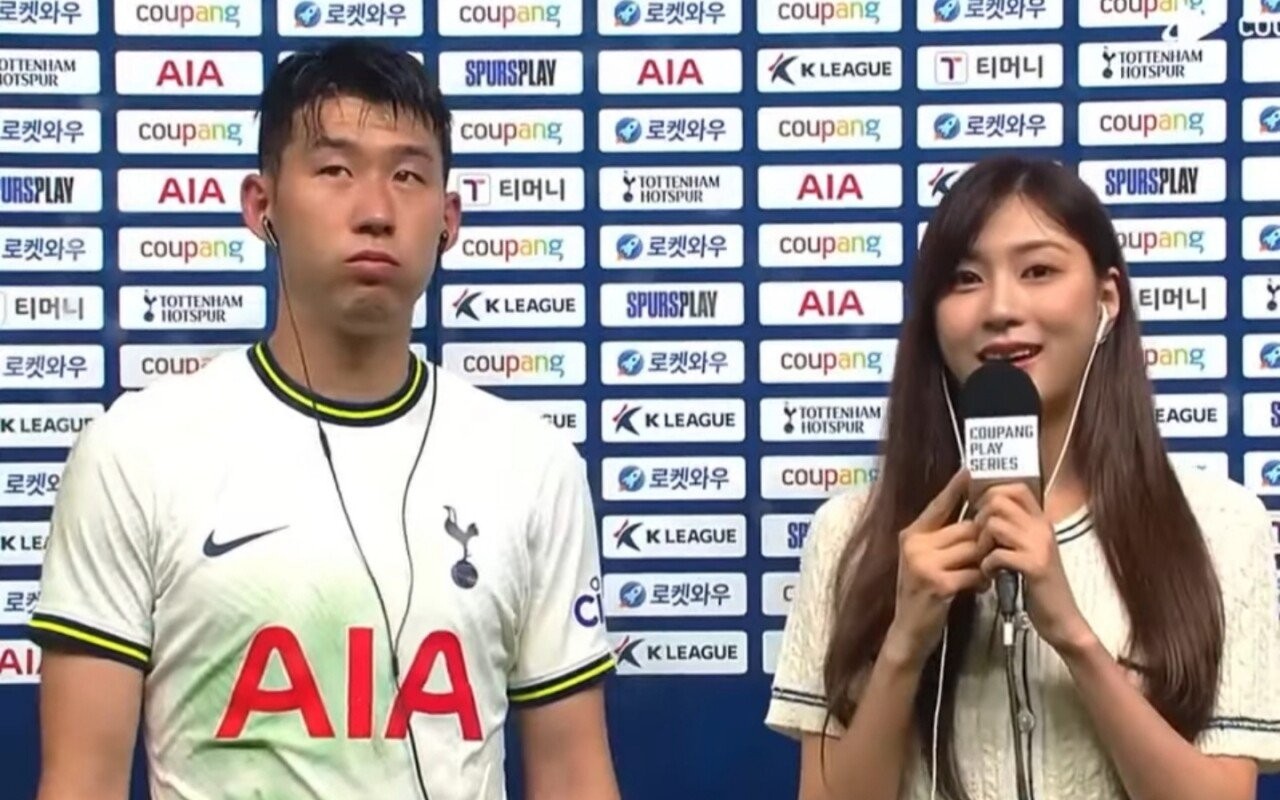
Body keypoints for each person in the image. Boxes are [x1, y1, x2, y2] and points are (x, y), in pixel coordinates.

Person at [28, 40, 620, 800]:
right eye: (336, 170)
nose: (375, 212)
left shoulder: (533, 465)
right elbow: (82, 779)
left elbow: (573, 774)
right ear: (261, 205)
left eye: (408, 176)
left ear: (448, 220)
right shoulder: (135, 451)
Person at [765, 155, 1280, 800]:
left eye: (1038, 271)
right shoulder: (852, 534)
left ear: (1107, 299)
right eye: (965, 279)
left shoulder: (1218, 524)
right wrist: (904, 644)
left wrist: (1071, 633)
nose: (1001, 308)